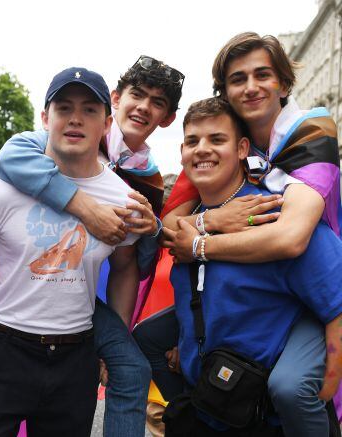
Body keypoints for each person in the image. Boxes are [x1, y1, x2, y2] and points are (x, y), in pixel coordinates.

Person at [0, 58, 182, 437]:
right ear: (44, 117)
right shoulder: (5, 180)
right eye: (64, 108)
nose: (75, 119)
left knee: (132, 368)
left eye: (89, 110)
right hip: (3, 334)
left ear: (106, 123)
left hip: (77, 347)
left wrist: (151, 229)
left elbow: (127, 266)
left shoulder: (131, 192)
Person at [147, 32, 341, 436]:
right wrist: (209, 221)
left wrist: (200, 245)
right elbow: (169, 228)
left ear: (284, 84)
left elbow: (291, 239)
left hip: (317, 282)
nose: (251, 87)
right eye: (238, 79)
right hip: (259, 299)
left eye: (262, 75)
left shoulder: (311, 131)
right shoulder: (213, 149)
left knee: (291, 388)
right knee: (146, 338)